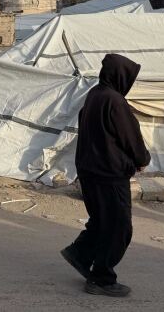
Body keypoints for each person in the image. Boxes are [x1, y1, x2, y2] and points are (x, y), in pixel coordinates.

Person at [60, 54, 151, 298]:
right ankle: (101, 278)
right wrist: (142, 160)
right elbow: (130, 137)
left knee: (102, 220)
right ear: (121, 76)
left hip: (89, 171)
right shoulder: (115, 101)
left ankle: (79, 253)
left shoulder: (94, 94)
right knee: (119, 227)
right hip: (109, 174)